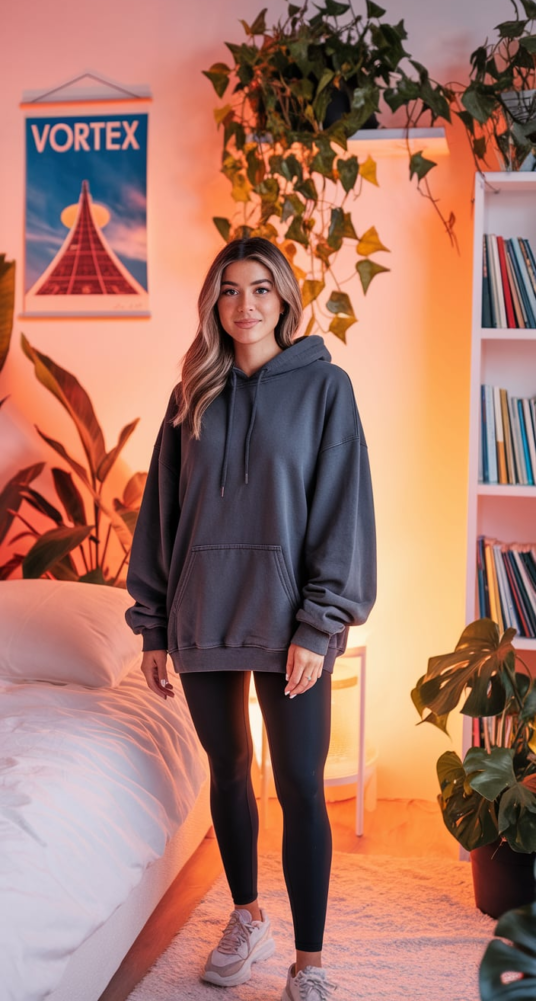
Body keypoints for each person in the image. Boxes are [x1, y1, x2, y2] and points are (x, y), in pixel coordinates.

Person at [125, 236, 377, 1001]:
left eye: (260, 289)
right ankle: (246, 914)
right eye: (229, 291)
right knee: (228, 773)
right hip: (203, 612)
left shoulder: (325, 388)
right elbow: (162, 517)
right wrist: (155, 624)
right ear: (214, 302)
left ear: (285, 299)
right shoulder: (189, 394)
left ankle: (309, 962)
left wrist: (319, 622)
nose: (245, 306)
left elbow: (343, 510)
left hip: (289, 619)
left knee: (300, 783)